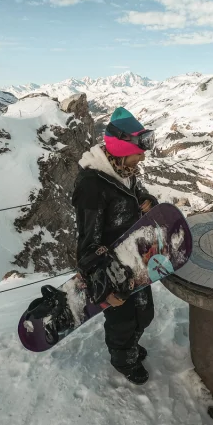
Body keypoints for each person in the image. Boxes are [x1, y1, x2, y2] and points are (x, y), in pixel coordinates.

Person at [72, 107, 158, 385]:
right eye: (139, 148)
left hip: (135, 258)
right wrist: (105, 287)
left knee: (144, 313)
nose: (144, 154)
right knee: (123, 321)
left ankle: (130, 344)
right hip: (111, 268)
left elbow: (135, 194)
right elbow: (88, 243)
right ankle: (124, 359)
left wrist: (148, 201)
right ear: (121, 148)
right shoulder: (92, 186)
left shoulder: (124, 170)